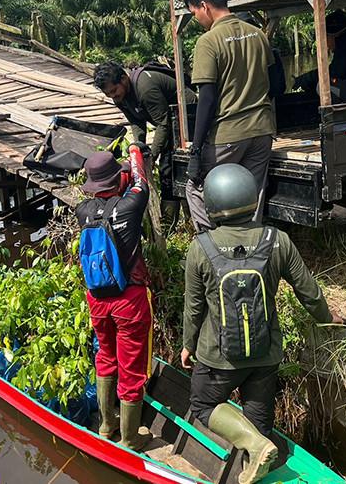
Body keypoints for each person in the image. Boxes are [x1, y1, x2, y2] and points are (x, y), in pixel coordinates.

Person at [181, 164, 343, 484]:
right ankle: (256, 456)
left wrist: (188, 345)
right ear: (252, 199)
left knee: (203, 404)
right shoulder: (277, 240)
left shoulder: (201, 247)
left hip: (218, 357)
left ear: (212, 205)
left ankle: (255, 446)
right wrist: (328, 319)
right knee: (258, 420)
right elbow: (308, 291)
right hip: (265, 354)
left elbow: (194, 307)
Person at [183, 0, 279, 233]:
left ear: (204, 6)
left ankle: (210, 247)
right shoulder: (258, 34)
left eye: (194, 14)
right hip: (262, 131)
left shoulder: (209, 41)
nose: (197, 20)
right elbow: (277, 82)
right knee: (252, 196)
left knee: (197, 189)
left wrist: (195, 151)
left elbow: (208, 98)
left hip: (227, 135)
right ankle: (249, 251)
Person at [76, 143, 153, 450]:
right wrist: (134, 151)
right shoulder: (130, 206)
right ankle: (131, 438)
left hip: (97, 299)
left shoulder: (82, 211)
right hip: (129, 300)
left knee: (105, 358)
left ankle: (107, 427)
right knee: (132, 370)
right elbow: (140, 180)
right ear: (116, 179)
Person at [93, 61, 195, 203]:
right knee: (167, 173)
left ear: (123, 78)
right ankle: (170, 215)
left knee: (173, 168)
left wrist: (152, 156)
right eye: (108, 94)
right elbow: (136, 121)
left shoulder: (145, 88)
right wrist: (139, 148)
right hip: (168, 121)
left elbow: (163, 124)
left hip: (187, 116)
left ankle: (180, 212)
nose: (113, 96)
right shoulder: (120, 97)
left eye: (114, 90)